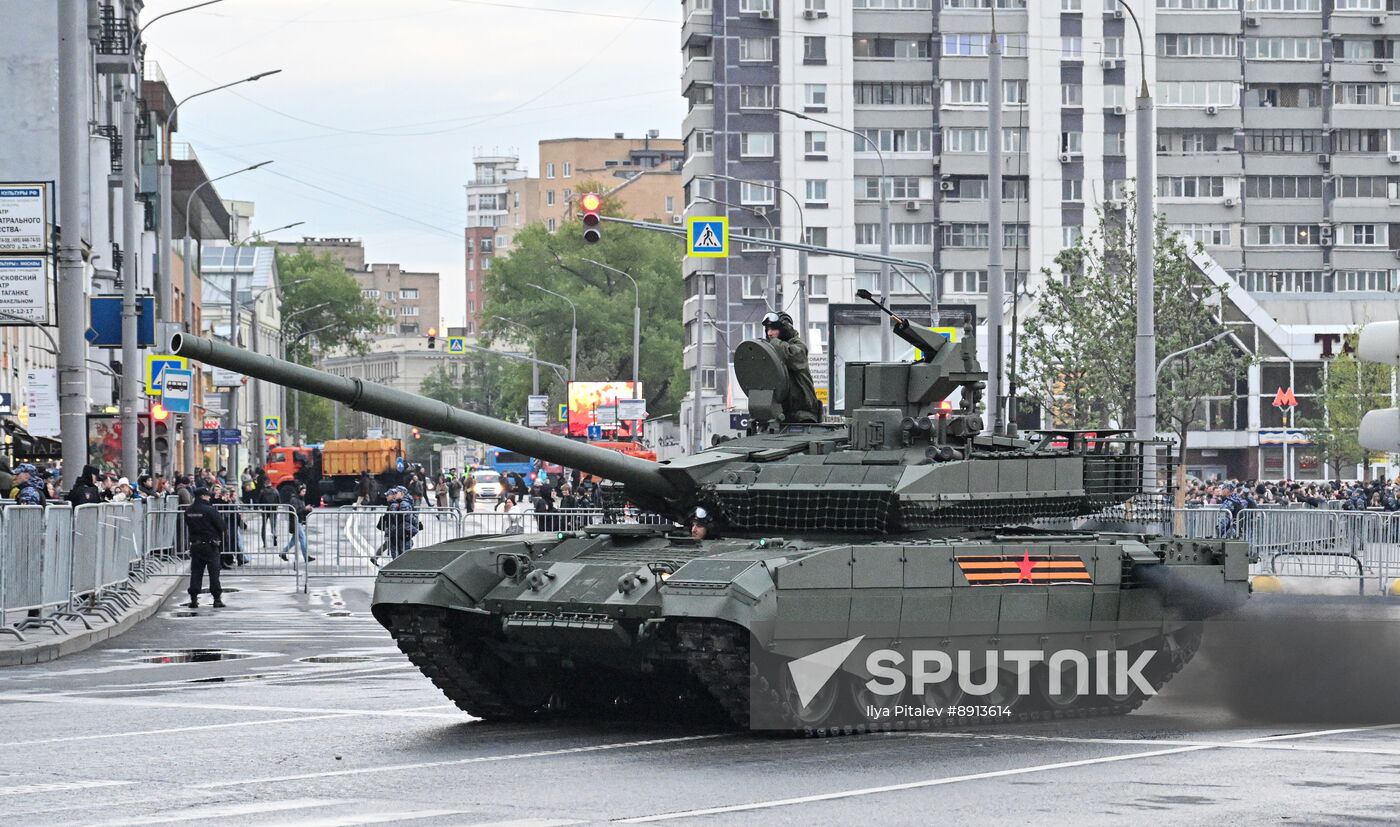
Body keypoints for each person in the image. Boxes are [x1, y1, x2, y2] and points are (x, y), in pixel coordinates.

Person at [761, 311, 821, 423]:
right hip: (779, 414)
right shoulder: (772, 349)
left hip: (802, 415)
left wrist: (774, 343)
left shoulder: (798, 345)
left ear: (785, 329)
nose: (770, 333)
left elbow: (793, 356)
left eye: (774, 329)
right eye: (768, 329)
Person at [184, 486, 227, 609]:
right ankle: (217, 599)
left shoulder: (189, 510)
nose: (209, 497)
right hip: (210, 545)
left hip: (196, 545)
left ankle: (193, 599)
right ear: (203, 496)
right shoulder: (210, 510)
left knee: (196, 572)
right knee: (214, 573)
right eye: (208, 495)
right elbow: (222, 526)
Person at [280, 483, 314, 563]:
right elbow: (296, 511)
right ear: (299, 491)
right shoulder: (294, 499)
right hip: (296, 522)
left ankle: (283, 552)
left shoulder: (300, 499)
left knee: (293, 541)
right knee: (303, 538)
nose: (304, 493)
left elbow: (301, 511)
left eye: (305, 491)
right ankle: (306, 557)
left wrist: (308, 510)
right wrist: (305, 508)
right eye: (303, 491)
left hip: (299, 521)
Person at [256, 478, 281, 547]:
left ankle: (264, 543)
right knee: (273, 525)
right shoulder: (275, 491)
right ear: (270, 484)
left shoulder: (262, 491)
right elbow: (279, 501)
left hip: (265, 511)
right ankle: (274, 535)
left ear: (265, 484)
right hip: (273, 510)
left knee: (263, 526)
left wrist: (261, 507)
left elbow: (259, 501)